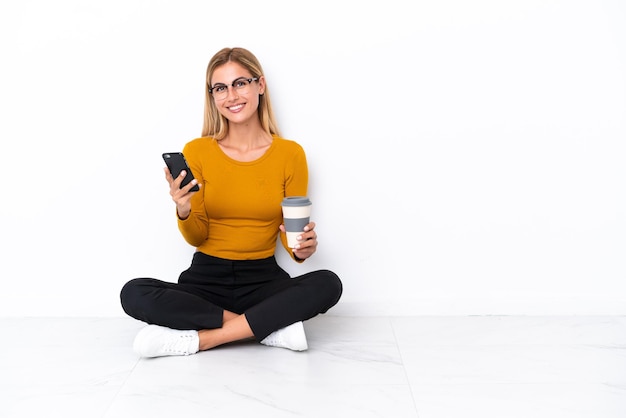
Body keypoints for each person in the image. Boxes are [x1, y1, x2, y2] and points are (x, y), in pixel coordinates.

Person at [120, 47, 343, 358]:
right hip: (205, 283)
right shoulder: (197, 152)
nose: (231, 95)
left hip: (263, 282)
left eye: (240, 83)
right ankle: (265, 328)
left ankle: (203, 339)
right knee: (133, 293)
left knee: (328, 283)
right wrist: (183, 209)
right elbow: (197, 237)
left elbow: (291, 235)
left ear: (260, 85)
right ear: (212, 95)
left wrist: (302, 247)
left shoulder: (290, 154)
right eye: (220, 88)